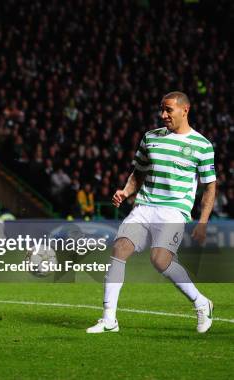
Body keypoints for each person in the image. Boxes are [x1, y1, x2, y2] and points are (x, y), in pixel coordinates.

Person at [87, 91, 217, 334]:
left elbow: (210, 186)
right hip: (145, 206)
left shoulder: (202, 145)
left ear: (184, 110)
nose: (163, 114)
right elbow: (138, 172)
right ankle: (109, 319)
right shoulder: (151, 137)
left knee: (160, 260)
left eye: (168, 110)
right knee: (120, 249)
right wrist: (125, 192)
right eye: (162, 109)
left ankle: (201, 303)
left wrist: (203, 221)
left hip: (174, 211)